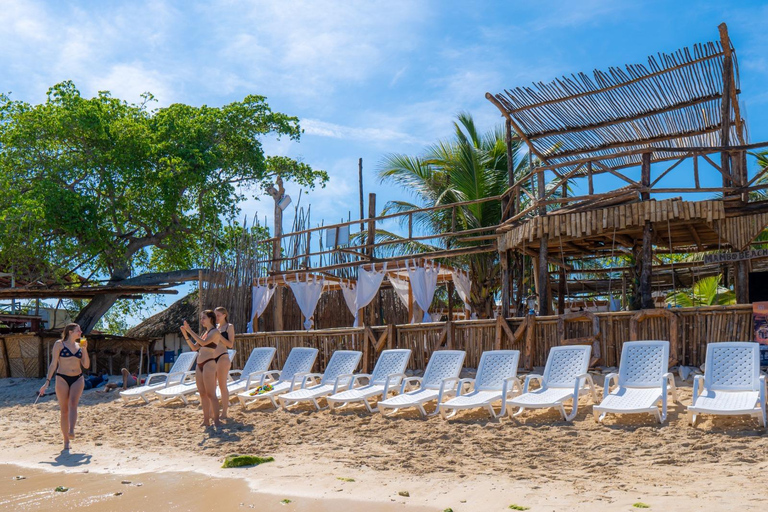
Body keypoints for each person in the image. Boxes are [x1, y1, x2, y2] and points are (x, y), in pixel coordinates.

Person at [39, 323, 90, 450]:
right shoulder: (59, 344)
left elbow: (86, 365)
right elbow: (53, 364)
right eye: (78, 330)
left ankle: (71, 430)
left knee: (73, 403)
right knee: (64, 411)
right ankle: (66, 441)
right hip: (62, 378)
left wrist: (85, 349)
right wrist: (47, 382)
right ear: (70, 332)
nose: (81, 332)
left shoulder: (80, 346)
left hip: (77, 378)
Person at [181, 310, 225, 428]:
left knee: (211, 394)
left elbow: (204, 343)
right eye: (201, 318)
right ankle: (206, 420)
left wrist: (190, 331)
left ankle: (216, 420)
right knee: (203, 394)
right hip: (199, 364)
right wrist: (186, 335)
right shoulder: (205, 333)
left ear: (210, 318)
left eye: (203, 318)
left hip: (209, 363)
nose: (201, 321)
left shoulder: (215, 332)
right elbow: (195, 347)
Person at [214, 307, 235, 420]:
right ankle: (214, 410)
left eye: (218, 315)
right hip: (212, 358)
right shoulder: (214, 327)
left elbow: (230, 344)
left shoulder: (229, 327)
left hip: (223, 357)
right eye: (215, 315)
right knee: (212, 386)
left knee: (222, 385)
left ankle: (225, 412)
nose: (216, 317)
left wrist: (219, 335)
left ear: (224, 315)